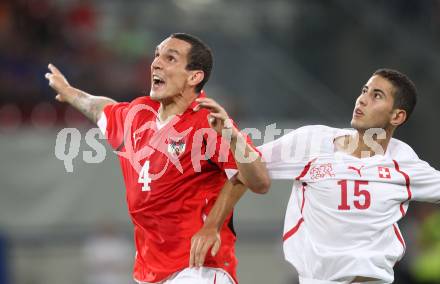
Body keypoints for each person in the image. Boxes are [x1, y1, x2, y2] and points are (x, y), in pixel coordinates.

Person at [45, 33, 270, 284]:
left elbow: (259, 181)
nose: (156, 63)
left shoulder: (206, 120)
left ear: (194, 76)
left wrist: (212, 225)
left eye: (170, 58)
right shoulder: (137, 114)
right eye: (156, 55)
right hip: (150, 271)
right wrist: (70, 93)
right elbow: (100, 109)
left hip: (199, 268)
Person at [196, 68, 440, 283]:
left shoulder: (405, 164)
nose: (362, 100)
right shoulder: (311, 142)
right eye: (364, 91)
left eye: (376, 96)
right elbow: (247, 171)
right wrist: (211, 226)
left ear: (397, 116)